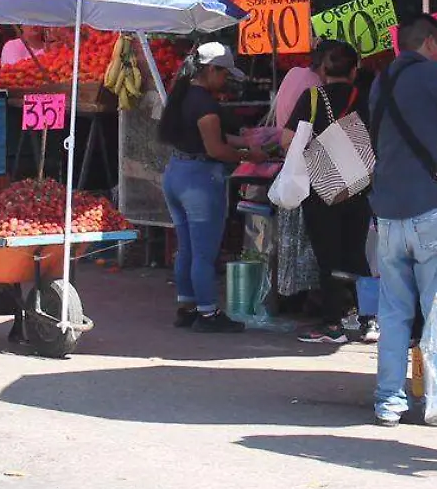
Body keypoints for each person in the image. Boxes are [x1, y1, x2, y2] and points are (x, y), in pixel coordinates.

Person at [365, 14, 437, 425]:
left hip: (387, 210)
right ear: (429, 42)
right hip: (429, 205)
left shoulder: (381, 80)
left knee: (393, 312)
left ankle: (389, 400)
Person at [158, 41, 267, 334]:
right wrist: (249, 156)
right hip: (199, 181)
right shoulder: (205, 104)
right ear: (211, 70)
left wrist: (244, 141)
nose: (225, 81)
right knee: (204, 253)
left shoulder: (182, 96)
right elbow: (216, 148)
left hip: (176, 174)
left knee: (187, 249)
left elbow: (208, 136)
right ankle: (208, 313)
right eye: (224, 74)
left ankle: (188, 307)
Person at [284, 40, 375, 344]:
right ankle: (369, 320)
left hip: (321, 191)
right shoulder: (364, 97)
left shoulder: (311, 98)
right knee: (358, 255)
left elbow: (287, 140)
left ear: (323, 68)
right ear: (354, 69)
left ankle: (333, 324)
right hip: (358, 189)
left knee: (329, 258)